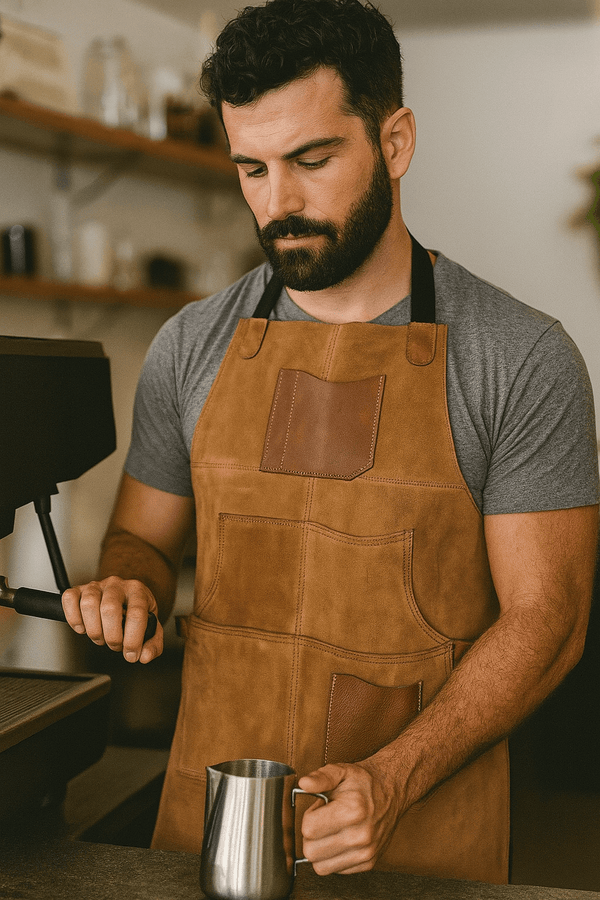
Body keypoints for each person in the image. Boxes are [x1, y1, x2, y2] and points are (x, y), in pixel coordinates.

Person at [62, 0, 599, 884]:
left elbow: (551, 621)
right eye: (252, 169)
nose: (280, 204)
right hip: (214, 822)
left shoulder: (521, 357)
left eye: (312, 161)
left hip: (417, 830)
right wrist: (128, 586)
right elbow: (141, 543)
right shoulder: (190, 346)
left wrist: (389, 782)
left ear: (394, 142)